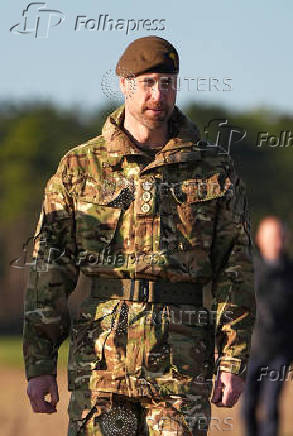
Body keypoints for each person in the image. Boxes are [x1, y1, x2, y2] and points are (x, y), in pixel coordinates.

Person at [23, 36, 255, 436]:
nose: (158, 94)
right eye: (147, 82)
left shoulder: (212, 167)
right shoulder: (82, 166)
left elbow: (236, 271)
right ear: (124, 84)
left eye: (167, 83)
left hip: (181, 363)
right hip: (102, 363)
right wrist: (40, 364)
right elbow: (50, 269)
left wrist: (232, 359)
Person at [243, 216, 293, 436]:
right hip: (252, 351)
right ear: (259, 239)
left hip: (280, 353)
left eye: (280, 236)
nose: (276, 241)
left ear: (286, 239)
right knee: (247, 408)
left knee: (271, 407)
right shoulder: (248, 272)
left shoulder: (290, 273)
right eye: (271, 237)